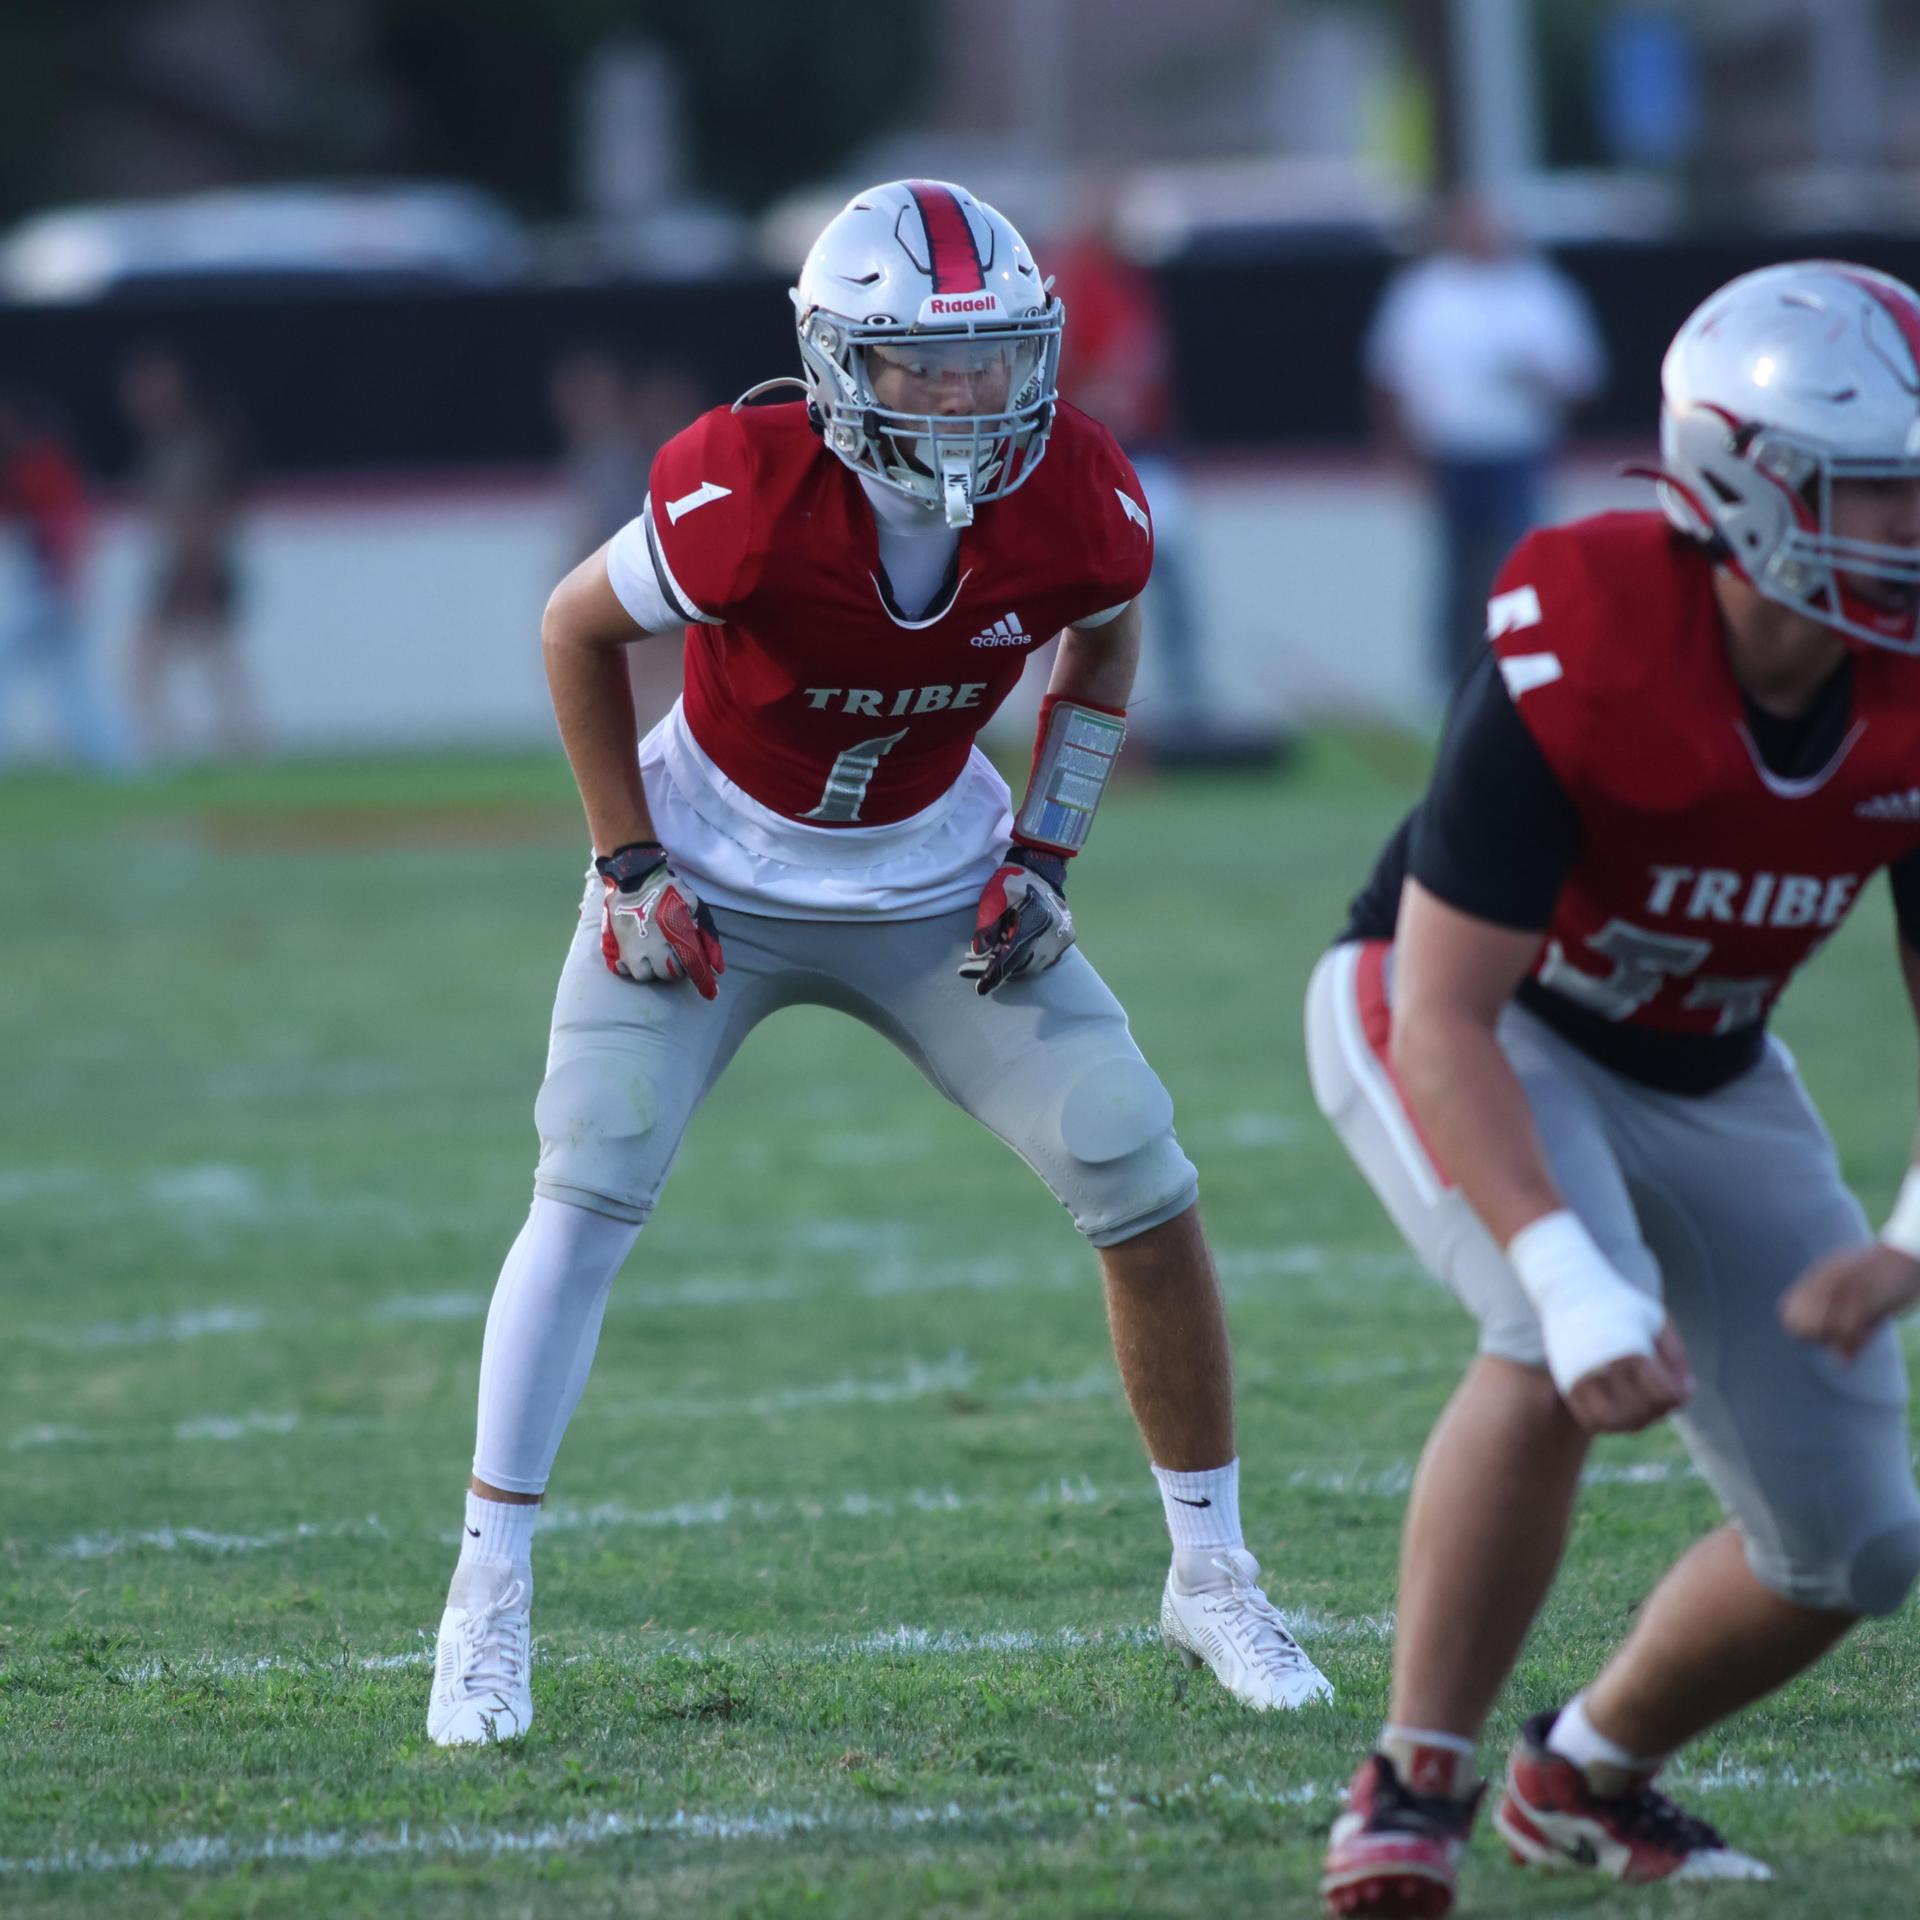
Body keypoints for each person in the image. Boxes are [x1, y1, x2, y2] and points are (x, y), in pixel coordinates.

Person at [426, 179, 1332, 1746]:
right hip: (710, 867)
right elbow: (581, 630)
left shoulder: (1079, 491)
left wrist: (1047, 851)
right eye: (925, 361)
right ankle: (485, 1606)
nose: (969, 394)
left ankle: (1212, 1575)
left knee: (1138, 1165)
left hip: (940, 873)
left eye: (994, 357)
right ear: (842, 361)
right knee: (587, 1180)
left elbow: (1103, 642)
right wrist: (626, 860)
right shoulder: (744, 489)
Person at [1306, 260, 1920, 1917]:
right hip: (1467, 1012)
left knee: (1859, 1545)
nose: (1907, 529)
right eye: (1876, 490)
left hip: (1710, 1064)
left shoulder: (1909, 687)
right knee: (1540, 1329)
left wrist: (1915, 1233)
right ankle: (1412, 1785)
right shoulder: (1589, 621)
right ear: (1742, 476)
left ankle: (1582, 1772)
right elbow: (1441, 1006)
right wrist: (1571, 1277)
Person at [1364, 192, 1605, 695]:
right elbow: (1389, 378)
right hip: (1448, 452)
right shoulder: (1423, 293)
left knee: (1519, 567)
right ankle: (1449, 681)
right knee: (1454, 573)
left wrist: (1536, 380)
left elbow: (1582, 379)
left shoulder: (1539, 291)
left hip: (1517, 451)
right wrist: (1402, 450)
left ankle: (1524, 674)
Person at [120, 347, 255, 759]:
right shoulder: (161, 443)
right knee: (199, 658)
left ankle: (230, 746)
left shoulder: (194, 441)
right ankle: (208, 745)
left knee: (197, 657)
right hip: (178, 560)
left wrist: (198, 563)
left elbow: (209, 506)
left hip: (196, 563)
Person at [0, 389, 128, 770]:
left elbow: (67, 522)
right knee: (73, 680)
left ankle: (115, 758)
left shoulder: (42, 463)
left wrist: (70, 580)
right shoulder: (22, 466)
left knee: (57, 674)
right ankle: (114, 760)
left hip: (52, 585)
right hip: (44, 583)